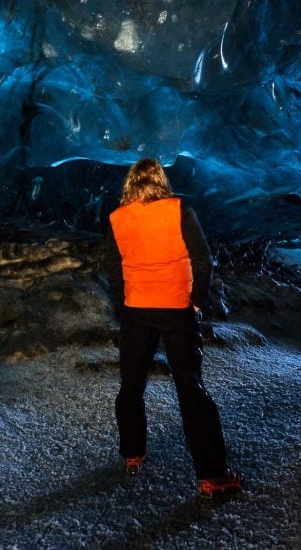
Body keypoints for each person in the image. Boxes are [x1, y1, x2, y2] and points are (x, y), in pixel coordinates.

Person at [104, 158, 242, 498]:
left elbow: (113, 268)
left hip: (137, 310)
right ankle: (212, 475)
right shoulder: (179, 210)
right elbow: (202, 259)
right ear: (160, 180)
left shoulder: (117, 218)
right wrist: (196, 301)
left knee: (131, 384)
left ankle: (132, 454)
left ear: (130, 182)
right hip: (176, 308)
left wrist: (124, 304)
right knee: (190, 388)